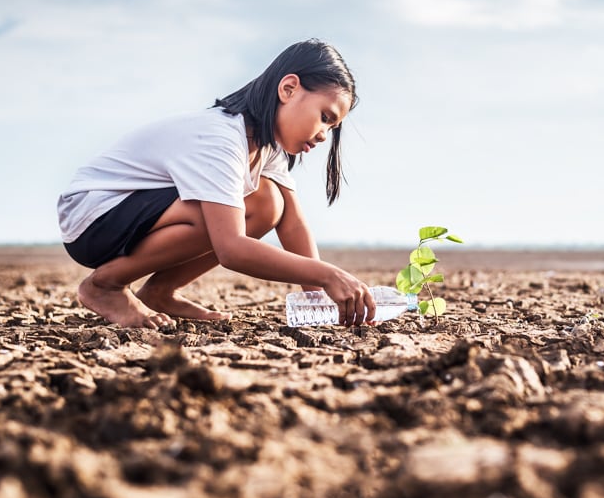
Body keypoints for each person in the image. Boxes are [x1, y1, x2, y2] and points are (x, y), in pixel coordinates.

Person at [57, 39, 375, 329]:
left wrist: (318, 299)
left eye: (332, 127)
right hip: (94, 215)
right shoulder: (222, 138)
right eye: (325, 117)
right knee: (218, 211)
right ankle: (105, 285)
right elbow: (231, 249)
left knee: (268, 202)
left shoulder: (266, 147)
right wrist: (328, 274)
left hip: (130, 213)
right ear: (288, 89)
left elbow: (292, 224)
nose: (324, 135)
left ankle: (159, 291)